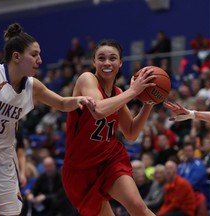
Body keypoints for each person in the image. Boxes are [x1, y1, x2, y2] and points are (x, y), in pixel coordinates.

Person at [0, 22, 95, 216]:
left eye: (39, 55)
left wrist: (80, 99)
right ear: (16, 57)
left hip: (1, 159)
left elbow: (63, 104)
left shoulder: (33, 86)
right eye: (34, 54)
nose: (40, 60)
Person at [62, 39, 157, 216]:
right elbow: (98, 109)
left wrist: (148, 104)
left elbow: (130, 132)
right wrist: (133, 92)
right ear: (94, 61)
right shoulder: (86, 79)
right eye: (101, 58)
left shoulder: (119, 93)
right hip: (79, 169)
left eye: (112, 58)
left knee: (137, 205)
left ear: (120, 63)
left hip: (109, 160)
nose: (107, 62)